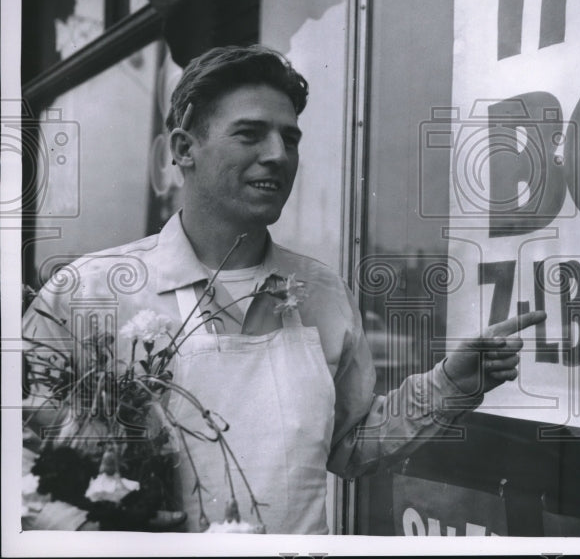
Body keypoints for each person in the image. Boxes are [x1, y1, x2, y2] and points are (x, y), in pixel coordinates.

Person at [22, 44, 544, 534]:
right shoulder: (85, 294)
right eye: (250, 134)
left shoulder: (321, 291)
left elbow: (350, 445)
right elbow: (18, 467)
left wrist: (450, 383)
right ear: (184, 150)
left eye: (289, 139)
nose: (278, 154)